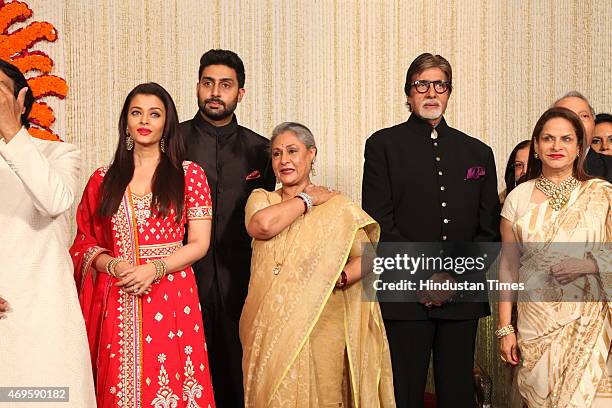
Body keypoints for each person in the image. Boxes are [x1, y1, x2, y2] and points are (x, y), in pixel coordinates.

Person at [362, 53, 501, 407]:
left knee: (457, 393)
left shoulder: (478, 152)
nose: (431, 92)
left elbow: (487, 231)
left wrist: (452, 278)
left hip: (461, 294)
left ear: (449, 92)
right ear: (408, 93)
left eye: (440, 84)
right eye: (421, 84)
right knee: (403, 393)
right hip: (406, 293)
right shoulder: (383, 146)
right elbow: (379, 223)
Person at [70, 82, 215, 407]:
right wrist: (115, 264)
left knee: (172, 387)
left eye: (154, 113)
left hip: (173, 293)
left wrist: (155, 268)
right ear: (126, 121)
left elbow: (199, 243)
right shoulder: (103, 179)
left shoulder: (188, 175)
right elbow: (83, 242)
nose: (144, 120)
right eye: (136, 112)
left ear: (167, 122)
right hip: (120, 294)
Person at [241, 122, 395, 407]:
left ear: (311, 154)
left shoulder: (337, 208)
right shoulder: (262, 199)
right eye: (276, 154)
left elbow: (374, 257)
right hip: (267, 326)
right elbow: (261, 226)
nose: (284, 160)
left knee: (324, 396)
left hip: (323, 325)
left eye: (292, 151)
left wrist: (340, 278)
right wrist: (307, 199)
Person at [180, 48, 275, 407]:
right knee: (186, 368)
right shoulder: (172, 142)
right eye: (208, 83)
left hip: (243, 282)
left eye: (225, 85)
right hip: (183, 278)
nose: (215, 92)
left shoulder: (261, 151)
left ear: (240, 93)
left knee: (240, 374)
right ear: (197, 88)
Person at [498, 107, 611, 407]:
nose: (556, 146)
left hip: (591, 324)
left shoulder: (601, 195)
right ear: (536, 145)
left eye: (565, 139)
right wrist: (505, 328)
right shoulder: (517, 199)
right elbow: (508, 267)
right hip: (536, 326)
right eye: (548, 138)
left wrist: (588, 265)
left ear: (579, 147)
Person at [0, 59, 95, 406]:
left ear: (22, 100)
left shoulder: (58, 153)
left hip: (45, 319)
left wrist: (10, 132)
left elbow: (54, 201)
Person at [554, 92, 612, 182]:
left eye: (583, 116)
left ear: (593, 123)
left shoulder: (609, 167)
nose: (576, 122)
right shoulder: (531, 169)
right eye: (565, 116)